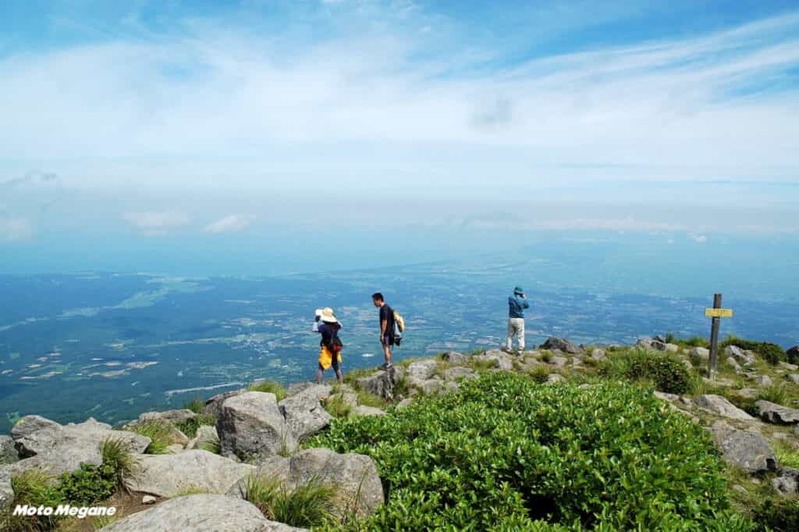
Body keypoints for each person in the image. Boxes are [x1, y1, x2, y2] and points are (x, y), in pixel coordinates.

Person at [314, 307, 343, 384]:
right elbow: (341, 325)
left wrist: (316, 321)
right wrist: (335, 318)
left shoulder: (324, 327)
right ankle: (340, 382)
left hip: (327, 349)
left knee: (321, 367)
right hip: (334, 348)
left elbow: (314, 329)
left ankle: (318, 383)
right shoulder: (336, 325)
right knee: (336, 366)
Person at [371, 292, 394, 370]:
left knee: (386, 348)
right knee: (387, 348)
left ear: (379, 300)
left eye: (374, 301)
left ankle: (388, 364)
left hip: (387, 332)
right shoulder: (387, 307)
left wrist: (382, 334)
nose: (374, 303)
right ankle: (389, 362)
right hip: (390, 331)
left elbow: (385, 321)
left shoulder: (384, 309)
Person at [505, 286, 529, 354]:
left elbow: (510, 301)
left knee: (510, 335)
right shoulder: (523, 300)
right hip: (519, 319)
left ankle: (508, 349)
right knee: (520, 335)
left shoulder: (510, 298)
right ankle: (520, 350)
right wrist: (524, 298)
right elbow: (527, 306)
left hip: (511, 318)